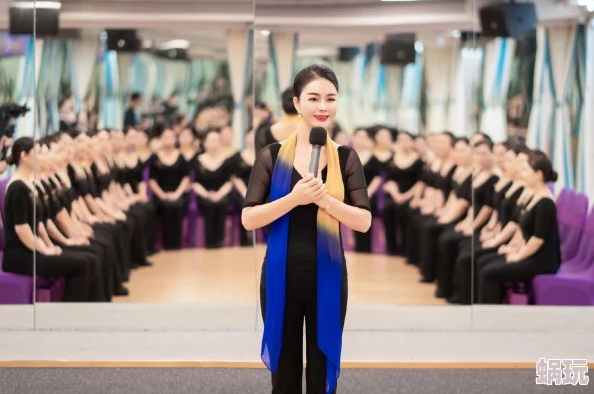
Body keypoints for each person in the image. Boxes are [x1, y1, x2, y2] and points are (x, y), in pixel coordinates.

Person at [242, 64, 372, 394]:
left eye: (331, 98)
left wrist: (326, 201)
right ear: (297, 103)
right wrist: (295, 198)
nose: (323, 106)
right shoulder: (270, 156)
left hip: (327, 276)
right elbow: (249, 219)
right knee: (284, 379)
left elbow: (363, 221)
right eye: (314, 98)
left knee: (320, 377)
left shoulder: (346, 159)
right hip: (280, 276)